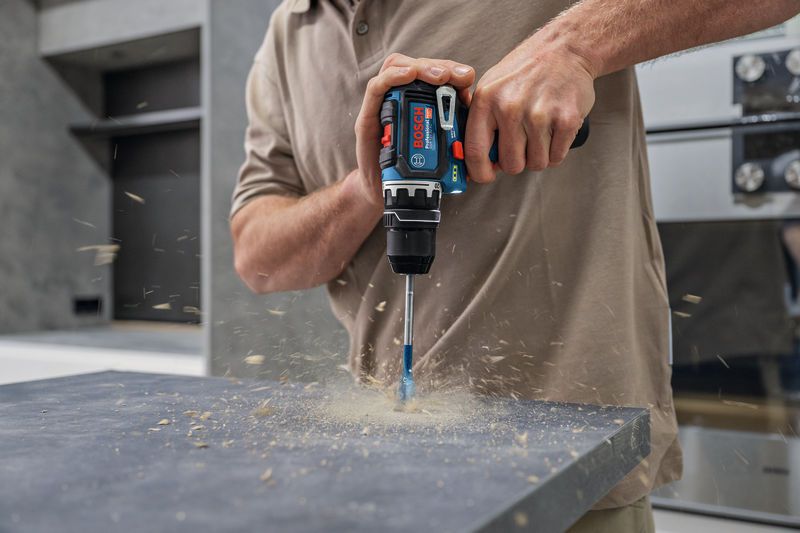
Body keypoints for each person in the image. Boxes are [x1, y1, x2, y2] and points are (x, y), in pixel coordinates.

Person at [230, 1, 799, 530]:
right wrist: (371, 184)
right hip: (385, 456)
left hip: (575, 467)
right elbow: (257, 259)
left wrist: (573, 46)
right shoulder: (287, 32)